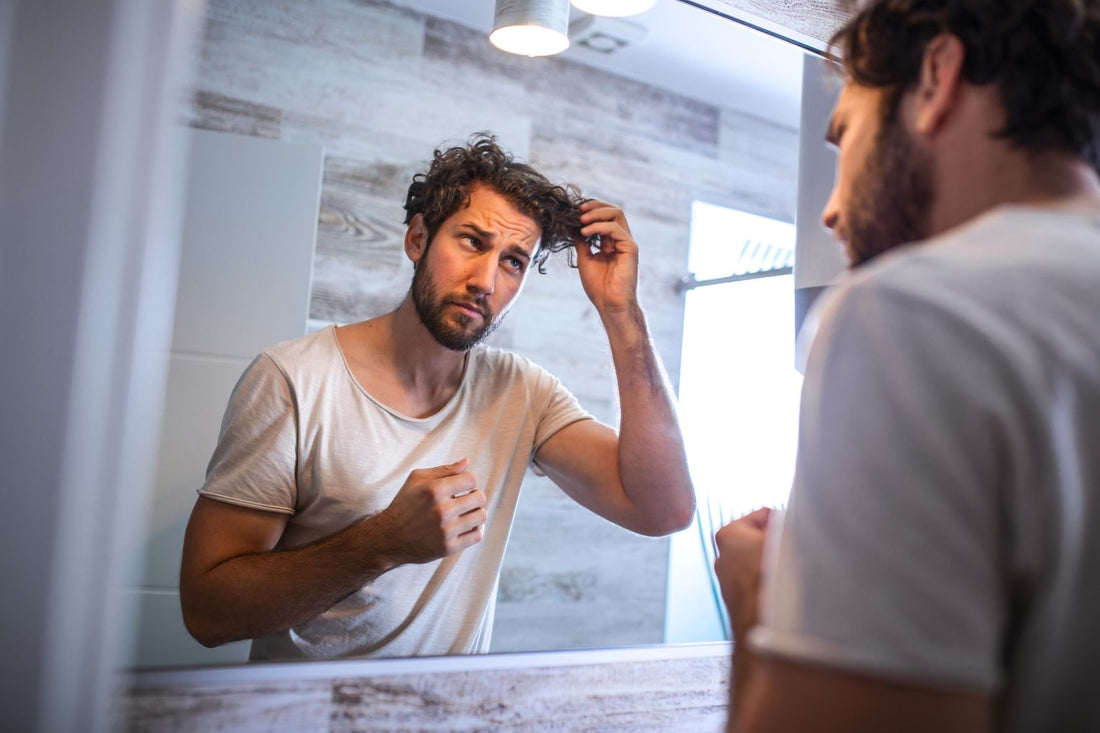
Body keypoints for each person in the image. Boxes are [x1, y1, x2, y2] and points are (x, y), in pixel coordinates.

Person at [714, 1, 1100, 731]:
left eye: (843, 136)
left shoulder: (910, 313)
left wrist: (754, 609)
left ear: (937, 76)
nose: (829, 210)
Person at [178, 133, 695, 660]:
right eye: (473, 241)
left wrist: (621, 312)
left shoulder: (523, 391)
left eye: (514, 261)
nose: (486, 280)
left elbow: (663, 509)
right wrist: (383, 543)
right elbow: (207, 612)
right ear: (418, 239)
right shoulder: (292, 380)